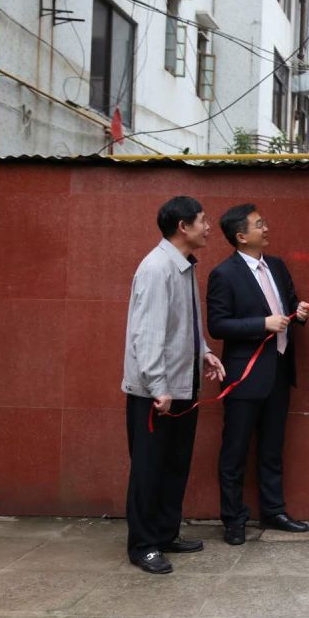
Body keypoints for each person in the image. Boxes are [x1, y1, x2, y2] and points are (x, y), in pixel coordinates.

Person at [122, 196, 226, 574]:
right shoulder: (156, 269)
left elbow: (181, 326)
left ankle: (165, 533)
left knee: (174, 466)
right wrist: (158, 387)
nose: (208, 226)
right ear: (183, 226)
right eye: (202, 220)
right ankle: (143, 545)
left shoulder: (181, 266)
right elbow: (147, 335)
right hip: (156, 394)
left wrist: (204, 353)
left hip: (182, 387)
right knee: (149, 470)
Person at [207, 204, 309, 545]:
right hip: (244, 375)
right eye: (259, 224)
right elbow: (218, 325)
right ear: (241, 236)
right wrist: (261, 324)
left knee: (272, 447)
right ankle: (234, 519)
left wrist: (299, 313)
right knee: (234, 450)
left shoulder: (278, 267)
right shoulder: (224, 274)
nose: (266, 228)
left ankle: (274, 510)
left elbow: (289, 305)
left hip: (279, 371)